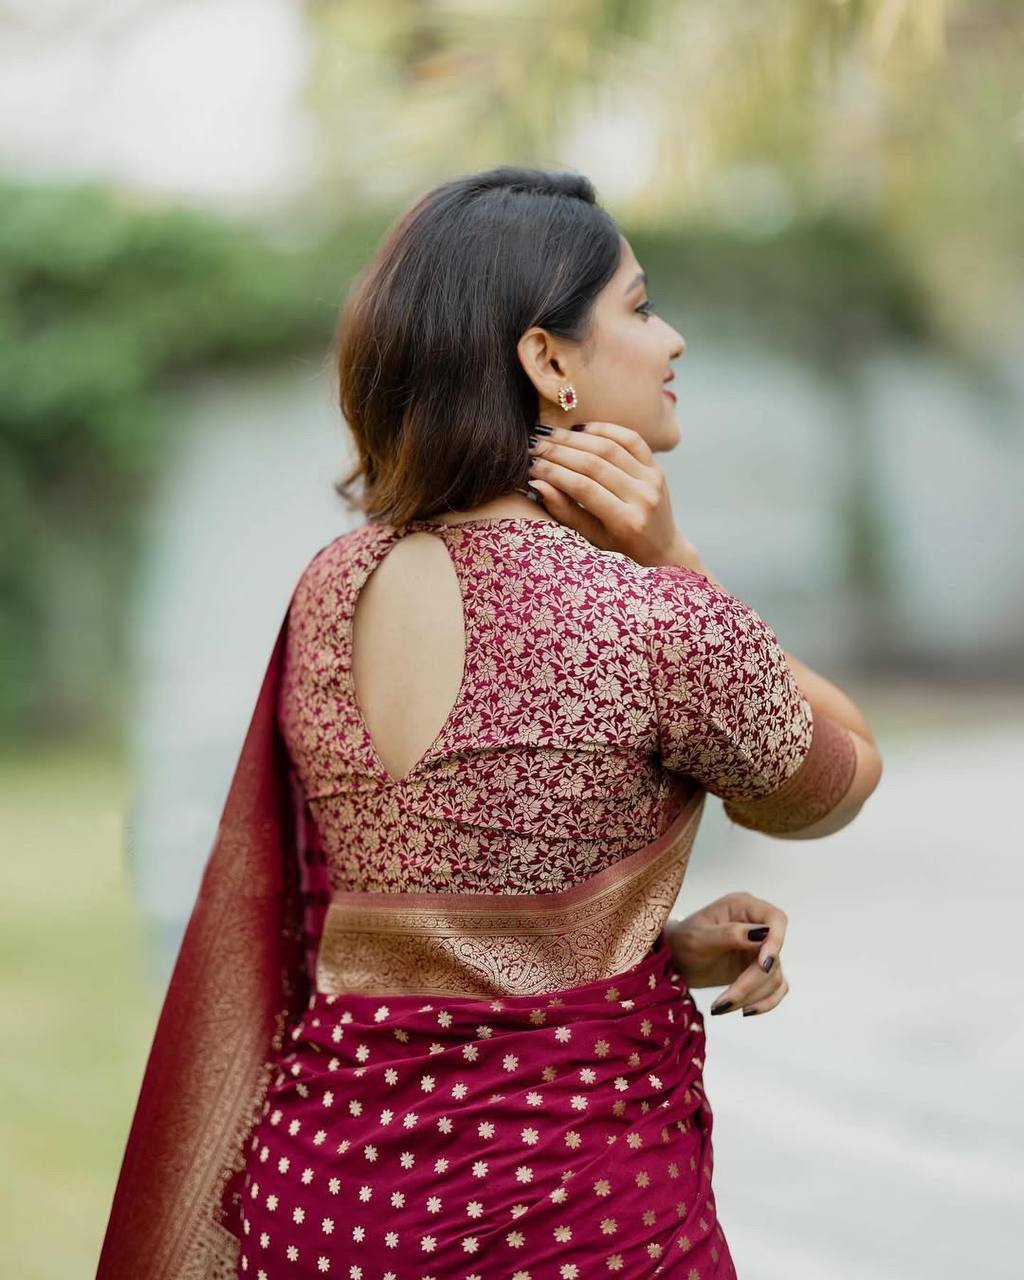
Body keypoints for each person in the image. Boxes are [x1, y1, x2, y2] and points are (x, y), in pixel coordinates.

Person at [96, 166, 882, 1280]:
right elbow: (842, 774)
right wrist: (679, 563)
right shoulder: (649, 613)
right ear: (547, 360)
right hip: (565, 1220)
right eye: (642, 306)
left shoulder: (332, 586)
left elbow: (413, 927)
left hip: (323, 1205)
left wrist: (644, 956)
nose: (674, 341)